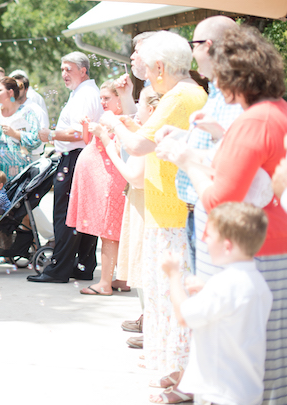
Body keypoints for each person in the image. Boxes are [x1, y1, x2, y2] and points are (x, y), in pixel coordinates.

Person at [156, 25, 287, 405]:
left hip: (248, 249)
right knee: (269, 356)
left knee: (239, 358)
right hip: (269, 246)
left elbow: (219, 200)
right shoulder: (277, 111)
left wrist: (184, 159)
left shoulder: (254, 120)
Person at [101, 31, 207, 394]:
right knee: (163, 300)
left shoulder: (180, 96)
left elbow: (138, 144)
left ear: (160, 66)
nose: (142, 70)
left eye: (145, 64)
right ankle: (174, 375)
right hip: (168, 211)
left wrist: (113, 124)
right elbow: (147, 136)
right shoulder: (181, 94)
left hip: (174, 215)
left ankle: (178, 380)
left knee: (170, 301)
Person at [160, 202, 272, 405]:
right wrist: (206, 290)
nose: (204, 239)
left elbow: (184, 316)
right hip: (247, 390)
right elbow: (233, 311)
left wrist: (174, 275)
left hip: (220, 393)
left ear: (227, 245)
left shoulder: (224, 285)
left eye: (209, 235)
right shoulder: (257, 282)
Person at [155, 16, 241, 278]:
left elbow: (234, 154)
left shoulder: (235, 92)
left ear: (208, 45)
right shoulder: (217, 90)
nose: (191, 53)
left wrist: (185, 156)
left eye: (194, 44)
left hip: (219, 213)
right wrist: (183, 137)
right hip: (201, 209)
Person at [28, 52, 104, 284]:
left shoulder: (85, 94)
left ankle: (59, 269)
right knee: (81, 215)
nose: (64, 74)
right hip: (79, 157)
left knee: (65, 214)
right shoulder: (84, 93)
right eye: (62, 69)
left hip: (75, 157)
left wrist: (50, 135)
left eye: (68, 69)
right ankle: (82, 265)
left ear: (83, 70)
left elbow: (79, 133)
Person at [67, 78, 133, 296]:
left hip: (111, 181)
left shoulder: (123, 120)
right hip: (104, 180)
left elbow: (119, 147)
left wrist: (102, 132)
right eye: (101, 98)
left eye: (107, 98)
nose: (102, 102)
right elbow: (89, 142)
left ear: (120, 100)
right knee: (113, 231)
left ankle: (105, 283)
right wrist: (88, 127)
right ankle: (121, 279)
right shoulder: (108, 119)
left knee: (109, 232)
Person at [106, 86, 161, 349]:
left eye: (139, 103)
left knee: (143, 262)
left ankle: (153, 326)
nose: (135, 107)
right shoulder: (153, 131)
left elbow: (135, 177)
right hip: (146, 204)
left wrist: (110, 148)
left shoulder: (152, 135)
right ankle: (149, 321)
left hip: (146, 204)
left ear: (150, 109)